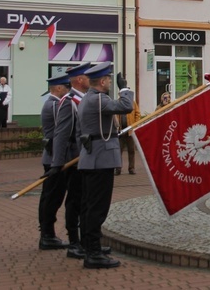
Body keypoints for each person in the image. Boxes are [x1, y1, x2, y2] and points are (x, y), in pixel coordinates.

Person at [77, 62, 134, 269]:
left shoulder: (87, 99)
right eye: (109, 80)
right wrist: (125, 89)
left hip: (92, 158)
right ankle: (92, 253)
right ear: (102, 82)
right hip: (100, 160)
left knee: (89, 206)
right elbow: (125, 106)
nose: (111, 82)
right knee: (97, 208)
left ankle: (89, 246)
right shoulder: (98, 100)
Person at [52, 62, 103, 260]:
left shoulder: (88, 99)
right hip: (75, 161)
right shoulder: (69, 101)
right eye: (89, 77)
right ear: (81, 80)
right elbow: (61, 134)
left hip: (87, 159)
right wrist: (57, 163)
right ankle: (74, 242)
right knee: (75, 201)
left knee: (88, 201)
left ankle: (88, 242)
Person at [37, 74, 71, 250]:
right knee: (52, 197)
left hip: (52, 156)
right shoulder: (54, 105)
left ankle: (46, 233)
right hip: (53, 158)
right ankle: (47, 234)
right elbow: (61, 133)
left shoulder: (51, 103)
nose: (68, 90)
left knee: (50, 196)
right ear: (58, 88)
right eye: (66, 87)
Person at [116, 98, 139, 175]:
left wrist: (135, 124)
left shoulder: (132, 102)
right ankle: (118, 169)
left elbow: (137, 114)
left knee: (131, 150)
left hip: (130, 130)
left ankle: (131, 168)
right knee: (119, 151)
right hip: (120, 130)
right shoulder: (118, 102)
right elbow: (115, 114)